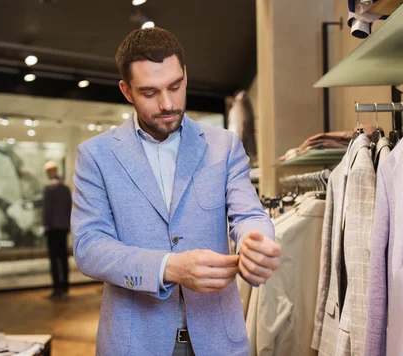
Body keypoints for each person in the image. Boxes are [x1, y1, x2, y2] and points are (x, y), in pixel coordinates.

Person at [71, 27, 282, 356]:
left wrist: (257, 240)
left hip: (218, 339)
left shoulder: (223, 146)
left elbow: (249, 214)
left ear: (185, 75)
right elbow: (90, 247)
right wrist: (168, 267)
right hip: (134, 343)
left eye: (175, 86)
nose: (167, 103)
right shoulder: (96, 155)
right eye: (149, 92)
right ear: (126, 91)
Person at [42, 160, 72, 300]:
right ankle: (65, 287)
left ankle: (56, 289)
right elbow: (69, 208)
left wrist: (46, 225)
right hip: (63, 227)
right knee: (63, 258)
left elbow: (47, 211)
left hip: (53, 228)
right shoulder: (65, 187)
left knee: (54, 260)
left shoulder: (49, 188)